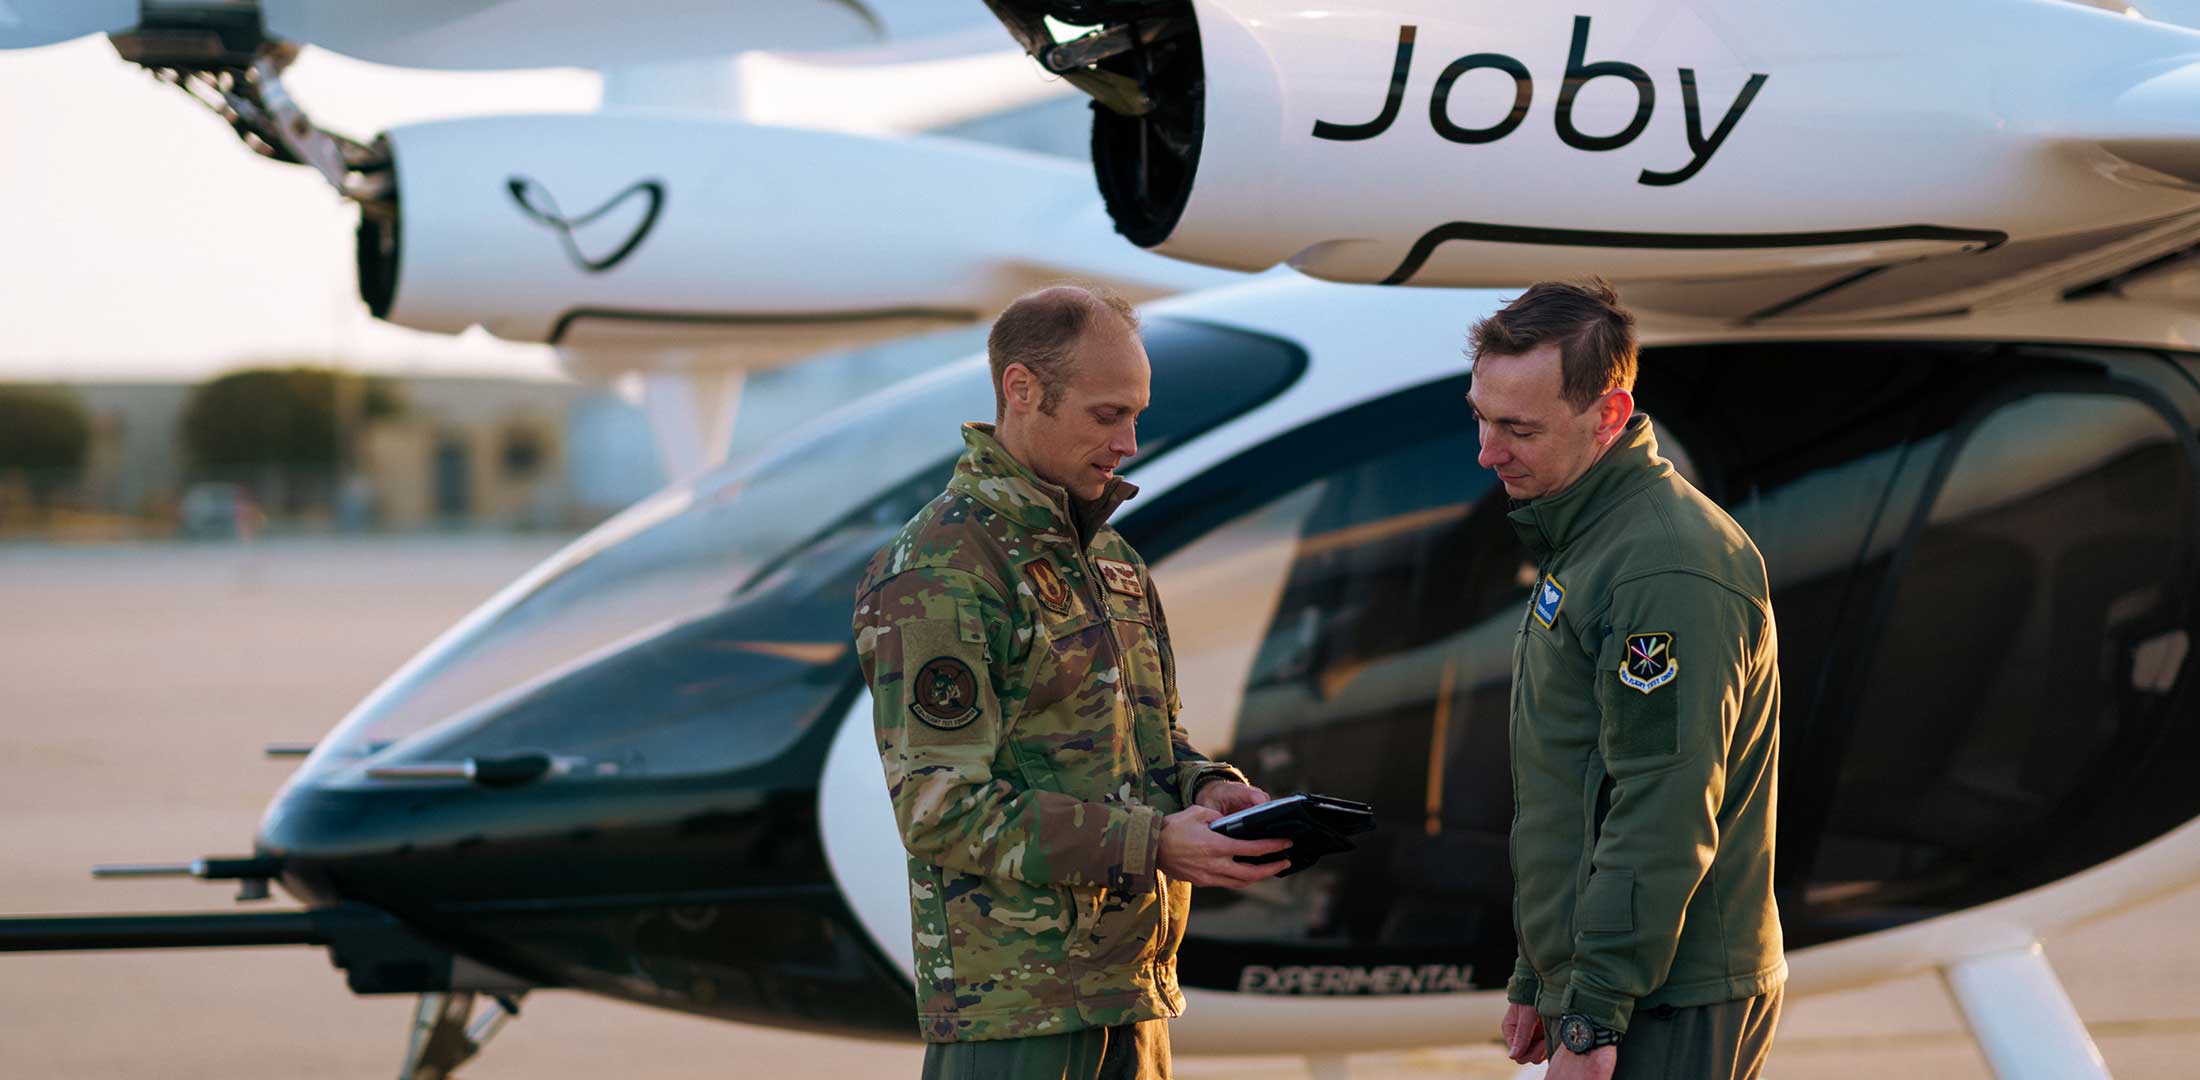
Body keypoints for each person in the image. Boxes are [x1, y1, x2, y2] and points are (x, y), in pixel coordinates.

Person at [852, 284, 1289, 1080]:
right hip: (1020, 1019)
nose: (1129, 441)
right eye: (1105, 414)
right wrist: (1154, 842)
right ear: (1022, 391)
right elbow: (938, 808)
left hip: (1133, 995)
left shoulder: (1111, 560)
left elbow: (1145, 747)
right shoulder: (943, 568)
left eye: (1136, 415)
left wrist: (1206, 788)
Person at [1467, 280, 1785, 1080]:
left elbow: (1662, 806)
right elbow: (1575, 783)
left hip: (1667, 996)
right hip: (1619, 988)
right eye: (1480, 416)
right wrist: (1539, 975)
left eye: (1518, 428)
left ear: (1607, 415)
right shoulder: (1592, 537)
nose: (1487, 450)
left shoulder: (1664, 567)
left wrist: (1591, 1012)